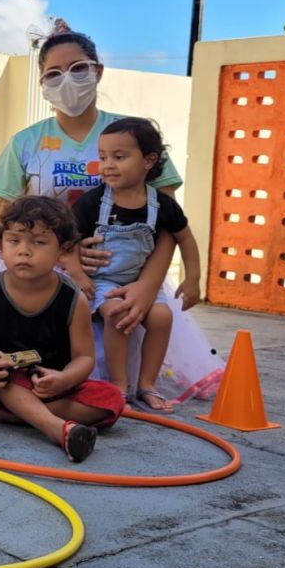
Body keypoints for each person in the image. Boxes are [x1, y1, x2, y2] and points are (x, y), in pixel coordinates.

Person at [0, 23, 221, 402]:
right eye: (53, 73)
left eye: (78, 68)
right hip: (45, 274)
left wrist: (147, 286)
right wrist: (59, 253)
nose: (67, 80)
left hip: (127, 274)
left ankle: (130, 386)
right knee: (41, 374)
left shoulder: (133, 136)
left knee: (121, 349)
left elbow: (167, 223)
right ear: (42, 83)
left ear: (98, 71)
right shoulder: (25, 143)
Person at [0, 197, 124, 463]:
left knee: (113, 399)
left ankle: (8, 415)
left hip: (54, 384)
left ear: (63, 251)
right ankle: (57, 429)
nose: (24, 251)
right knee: (7, 380)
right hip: (5, 381)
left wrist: (64, 379)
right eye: (14, 241)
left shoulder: (74, 298)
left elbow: (84, 357)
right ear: (0, 247)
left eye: (39, 242)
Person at [67, 119, 202, 413]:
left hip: (139, 280)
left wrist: (193, 279)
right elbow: (66, 242)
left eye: (119, 157)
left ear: (148, 161)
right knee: (118, 313)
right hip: (102, 280)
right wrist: (77, 274)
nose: (108, 165)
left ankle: (147, 385)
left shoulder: (162, 205)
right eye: (102, 157)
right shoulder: (93, 203)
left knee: (162, 317)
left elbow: (185, 238)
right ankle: (119, 385)